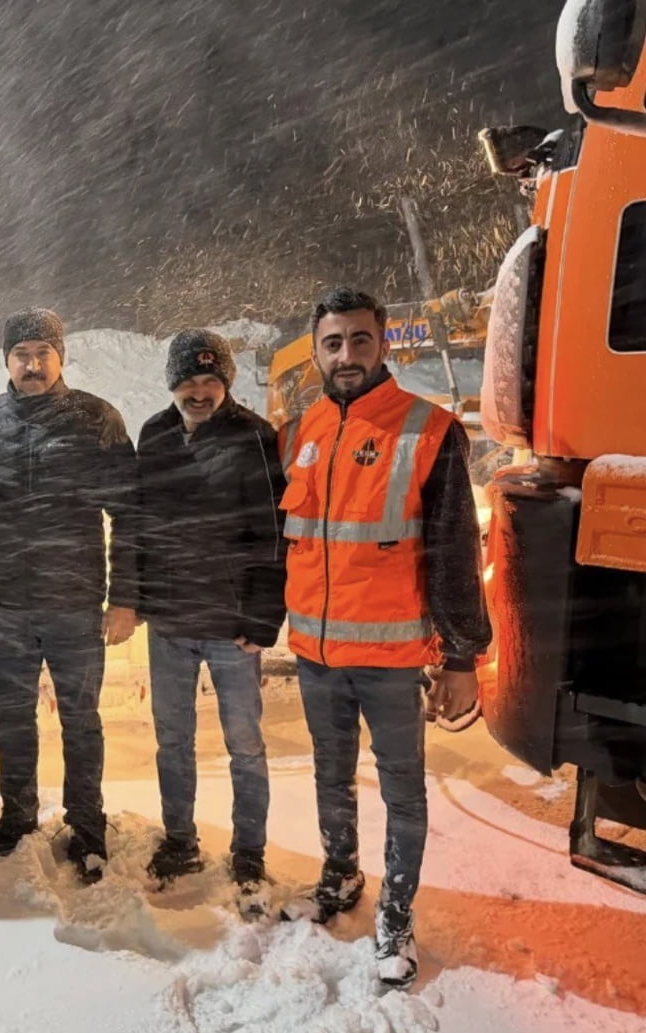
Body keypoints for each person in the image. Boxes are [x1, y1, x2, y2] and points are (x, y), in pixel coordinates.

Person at [277, 286, 491, 988]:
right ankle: (341, 875)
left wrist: (459, 656)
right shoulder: (304, 429)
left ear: (384, 344)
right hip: (317, 656)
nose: (346, 355)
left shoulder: (428, 429)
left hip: (394, 661)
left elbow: (456, 551)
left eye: (359, 340)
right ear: (317, 349)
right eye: (333, 342)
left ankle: (395, 916)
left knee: (402, 790)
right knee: (330, 776)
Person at [0, 307, 138, 884]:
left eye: (42, 354)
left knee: (81, 721)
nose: (32, 365)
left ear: (61, 357)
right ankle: (17, 815)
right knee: (11, 719)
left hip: (76, 605)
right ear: (5, 360)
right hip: (6, 603)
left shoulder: (96, 419)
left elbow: (129, 514)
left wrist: (127, 597)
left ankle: (87, 826)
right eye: (21, 355)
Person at [135, 329, 287, 911]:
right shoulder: (154, 436)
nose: (199, 392)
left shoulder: (254, 438)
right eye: (188, 382)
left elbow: (273, 536)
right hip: (170, 622)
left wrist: (265, 616)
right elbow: (140, 525)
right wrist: (141, 598)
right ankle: (180, 840)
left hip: (232, 626)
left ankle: (249, 850)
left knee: (244, 745)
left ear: (225, 382)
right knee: (172, 742)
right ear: (173, 385)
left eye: (209, 381)